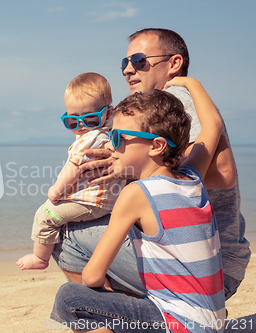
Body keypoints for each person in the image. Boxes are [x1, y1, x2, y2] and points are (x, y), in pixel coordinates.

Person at [52, 28, 250, 300]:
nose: (128, 69)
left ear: (174, 63)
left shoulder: (177, 100)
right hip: (207, 258)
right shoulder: (156, 108)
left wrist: (130, 168)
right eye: (125, 63)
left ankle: (128, 320)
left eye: (139, 60)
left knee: (65, 236)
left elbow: (223, 173)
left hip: (204, 264)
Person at [51, 77, 225, 332]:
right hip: (212, 321)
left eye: (118, 137)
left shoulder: (136, 194)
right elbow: (213, 125)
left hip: (177, 323)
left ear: (156, 146)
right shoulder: (193, 176)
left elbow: (91, 276)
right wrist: (193, 83)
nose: (111, 145)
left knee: (70, 297)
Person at [17, 73, 125, 270]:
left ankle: (40, 258)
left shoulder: (88, 139)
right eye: (72, 121)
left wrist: (56, 190)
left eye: (90, 119)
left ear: (108, 114)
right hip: (105, 202)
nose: (81, 125)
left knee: (45, 214)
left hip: (90, 202)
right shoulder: (109, 133)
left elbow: (72, 169)